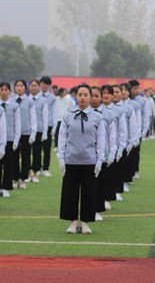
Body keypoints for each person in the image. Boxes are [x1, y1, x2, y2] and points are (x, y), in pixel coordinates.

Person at [57, 84, 106, 234]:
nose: (83, 97)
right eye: (80, 94)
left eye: (86, 94)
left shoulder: (98, 118)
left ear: (91, 97)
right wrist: (61, 157)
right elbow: (62, 138)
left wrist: (99, 160)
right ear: (76, 96)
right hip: (71, 160)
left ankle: (85, 222)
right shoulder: (68, 116)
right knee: (70, 193)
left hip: (89, 161)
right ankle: (72, 222)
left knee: (88, 193)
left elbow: (101, 140)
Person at [90, 86, 117, 222]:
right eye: (92, 96)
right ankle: (87, 209)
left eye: (96, 96)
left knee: (99, 183)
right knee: (88, 184)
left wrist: (112, 152)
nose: (94, 99)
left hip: (102, 155)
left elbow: (112, 136)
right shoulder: (83, 113)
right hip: (86, 155)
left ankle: (97, 209)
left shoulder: (108, 114)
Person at [12, 80, 36, 190]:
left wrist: (33, 132)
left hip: (26, 132)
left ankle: (23, 179)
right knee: (14, 157)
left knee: (26, 157)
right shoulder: (12, 101)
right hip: (13, 133)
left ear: (25, 88)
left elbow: (33, 118)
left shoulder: (30, 101)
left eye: (21, 86)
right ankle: (15, 178)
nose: (19, 88)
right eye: (17, 86)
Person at [0, 82, 21, 197]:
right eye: (1, 89)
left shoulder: (14, 106)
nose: (3, 92)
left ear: (9, 91)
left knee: (8, 165)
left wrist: (16, 139)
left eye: (6, 90)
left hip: (9, 138)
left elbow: (17, 123)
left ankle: (6, 187)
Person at [27, 79, 48, 183]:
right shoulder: (26, 100)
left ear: (38, 87)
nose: (33, 87)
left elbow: (45, 117)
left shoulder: (43, 101)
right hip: (27, 130)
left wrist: (45, 132)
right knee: (26, 153)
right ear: (29, 87)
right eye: (32, 85)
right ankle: (27, 174)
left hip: (39, 130)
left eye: (35, 86)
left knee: (37, 152)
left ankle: (35, 173)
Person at [40, 76, 57, 177]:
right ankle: (36, 168)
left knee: (47, 148)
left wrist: (54, 126)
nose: (44, 86)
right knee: (36, 149)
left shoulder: (52, 98)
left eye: (47, 84)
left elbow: (54, 112)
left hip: (49, 125)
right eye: (43, 83)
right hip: (38, 125)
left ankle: (46, 168)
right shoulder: (35, 96)